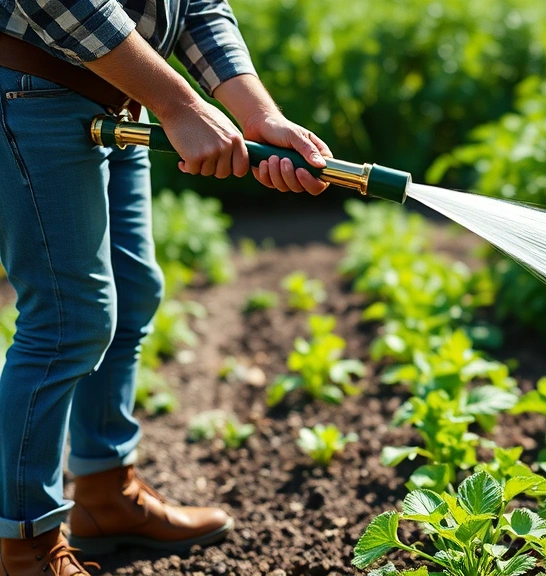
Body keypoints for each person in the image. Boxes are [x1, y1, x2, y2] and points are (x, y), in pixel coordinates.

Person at [0, 0, 332, 573]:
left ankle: (106, 493)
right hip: (37, 83)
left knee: (131, 292)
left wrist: (257, 115)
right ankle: (26, 544)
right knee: (66, 319)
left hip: (123, 87)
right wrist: (178, 104)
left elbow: (199, 3)